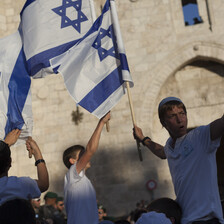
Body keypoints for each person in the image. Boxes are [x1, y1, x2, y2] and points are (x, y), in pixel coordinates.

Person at [133, 97, 224, 224]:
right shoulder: (170, 147)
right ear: (163, 122)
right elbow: (161, 152)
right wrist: (143, 139)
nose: (179, 119)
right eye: (172, 116)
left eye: (182, 114)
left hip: (207, 220)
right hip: (186, 220)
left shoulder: (200, 136)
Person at [63, 112, 111, 224]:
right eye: (82, 155)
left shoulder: (83, 180)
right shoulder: (73, 175)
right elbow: (91, 150)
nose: (86, 157)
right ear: (73, 161)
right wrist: (101, 122)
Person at [0, 129, 49, 206]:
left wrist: (6, 145)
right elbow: (43, 184)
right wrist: (37, 153)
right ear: (10, 162)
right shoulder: (17, 185)